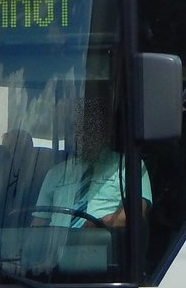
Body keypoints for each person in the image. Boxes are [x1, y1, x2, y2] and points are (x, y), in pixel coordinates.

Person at [33, 93, 151, 228]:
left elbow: (137, 212)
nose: (84, 133)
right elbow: (38, 224)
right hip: (57, 245)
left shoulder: (129, 165)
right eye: (78, 127)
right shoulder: (55, 173)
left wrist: (101, 225)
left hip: (104, 245)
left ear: (105, 130)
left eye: (90, 126)